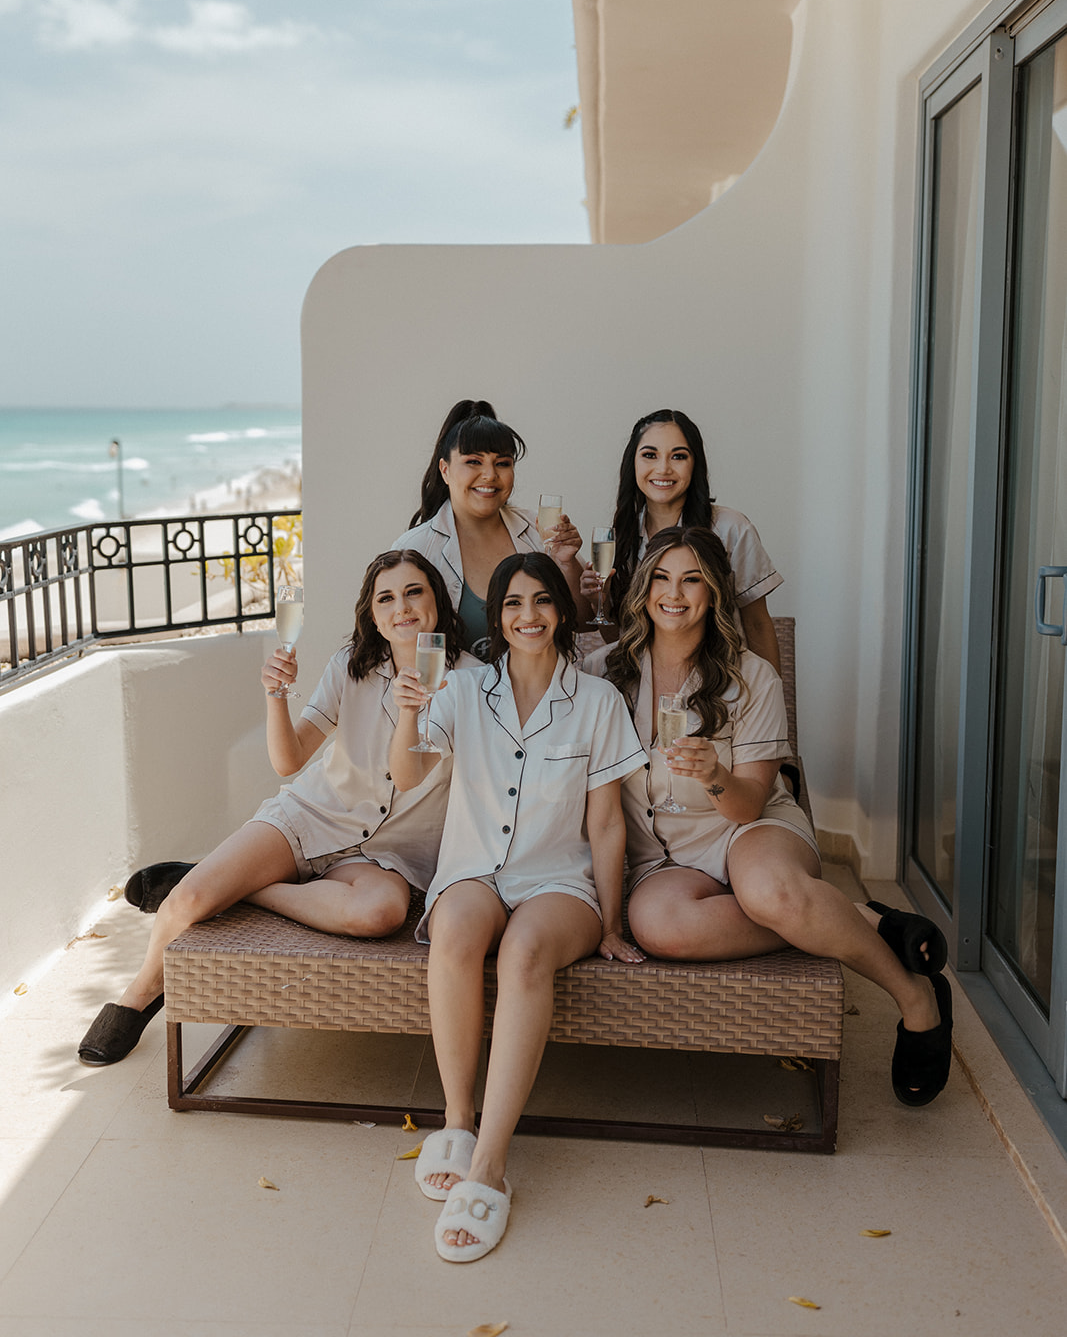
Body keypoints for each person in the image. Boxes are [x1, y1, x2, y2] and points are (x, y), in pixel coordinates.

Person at [585, 526, 953, 1109]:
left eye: (692, 580)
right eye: (660, 577)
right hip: (660, 853)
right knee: (660, 928)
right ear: (641, 588)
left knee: (774, 892)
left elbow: (749, 803)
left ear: (714, 593)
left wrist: (711, 774)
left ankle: (916, 999)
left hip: (746, 827)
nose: (674, 593)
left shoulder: (750, 676)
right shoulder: (602, 672)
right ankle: (850, 915)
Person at [78, 550, 476, 1067]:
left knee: (380, 913)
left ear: (438, 601)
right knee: (188, 900)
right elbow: (289, 761)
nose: (402, 607)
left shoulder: (470, 680)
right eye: (386, 598)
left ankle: (248, 888)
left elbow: (413, 774)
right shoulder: (351, 666)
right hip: (312, 817)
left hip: (388, 852)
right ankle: (139, 993)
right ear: (373, 616)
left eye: (414, 591)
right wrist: (275, 695)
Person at [389, 552, 646, 1262]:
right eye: (511, 603)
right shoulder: (464, 691)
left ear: (561, 611)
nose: (527, 615)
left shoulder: (597, 703)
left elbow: (606, 825)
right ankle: (457, 1119)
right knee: (456, 935)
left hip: (558, 884)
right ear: (496, 619)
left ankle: (489, 1165)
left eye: (540, 601)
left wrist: (614, 922)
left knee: (526, 953)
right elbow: (407, 773)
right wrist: (407, 714)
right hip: (473, 869)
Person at [583, 408, 782, 669]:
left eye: (678, 456)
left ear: (695, 463)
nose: (663, 468)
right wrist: (599, 600)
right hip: (646, 686)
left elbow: (757, 623)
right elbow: (623, 637)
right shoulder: (621, 538)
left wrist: (772, 695)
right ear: (633, 463)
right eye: (650, 455)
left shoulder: (731, 529)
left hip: (722, 683)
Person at [394, 398, 587, 654]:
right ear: (445, 469)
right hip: (452, 692)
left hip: (535, 693)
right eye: (474, 461)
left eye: (502, 463)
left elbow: (582, 624)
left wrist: (567, 564)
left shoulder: (539, 531)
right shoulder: (415, 548)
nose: (490, 475)